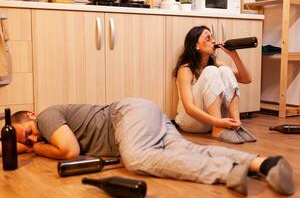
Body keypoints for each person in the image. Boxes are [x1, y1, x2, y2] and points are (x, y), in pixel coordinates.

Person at [0, 98, 294, 196]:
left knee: (137, 159)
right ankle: (263, 164)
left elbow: (69, 151)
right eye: (26, 141)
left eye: (27, 132)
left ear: (31, 115)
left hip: (126, 116)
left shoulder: (48, 115)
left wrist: (35, 149)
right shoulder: (42, 135)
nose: (31, 139)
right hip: (140, 121)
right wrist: (23, 146)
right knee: (185, 151)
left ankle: (228, 170)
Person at [173, 25, 256, 144]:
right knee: (211, 70)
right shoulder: (185, 69)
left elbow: (246, 79)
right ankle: (218, 130)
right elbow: (189, 108)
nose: (213, 40)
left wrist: (233, 55)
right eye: (208, 38)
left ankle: (236, 124)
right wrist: (218, 123)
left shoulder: (216, 63)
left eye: (213, 37)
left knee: (225, 70)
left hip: (211, 122)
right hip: (191, 122)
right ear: (196, 46)